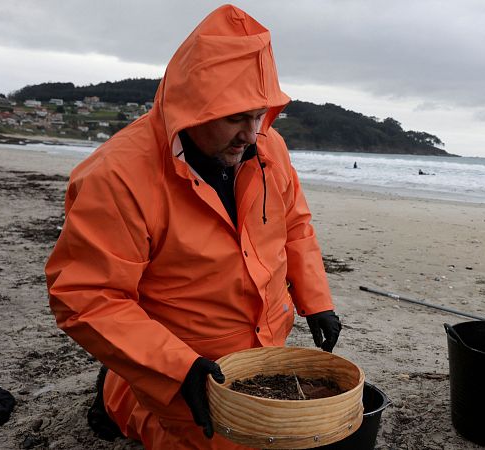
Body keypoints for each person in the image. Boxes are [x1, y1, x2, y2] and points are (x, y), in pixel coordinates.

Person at [45, 5, 341, 449]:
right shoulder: (117, 176)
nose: (250, 134)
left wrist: (315, 299)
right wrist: (176, 368)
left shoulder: (268, 147)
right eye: (234, 118)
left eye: (259, 114)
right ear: (193, 109)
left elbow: (294, 227)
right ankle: (119, 393)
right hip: (180, 362)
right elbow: (88, 296)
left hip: (260, 353)